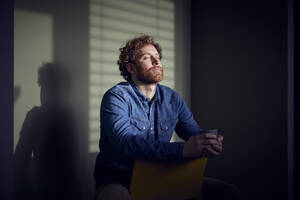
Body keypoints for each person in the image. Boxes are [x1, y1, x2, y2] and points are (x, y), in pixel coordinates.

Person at [94, 35, 240, 200]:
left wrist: (208, 142)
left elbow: (194, 133)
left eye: (157, 57)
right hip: (120, 180)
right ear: (131, 68)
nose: (157, 62)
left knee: (228, 193)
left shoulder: (172, 98)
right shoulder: (116, 97)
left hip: (162, 175)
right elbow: (125, 142)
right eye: (147, 58)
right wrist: (183, 149)